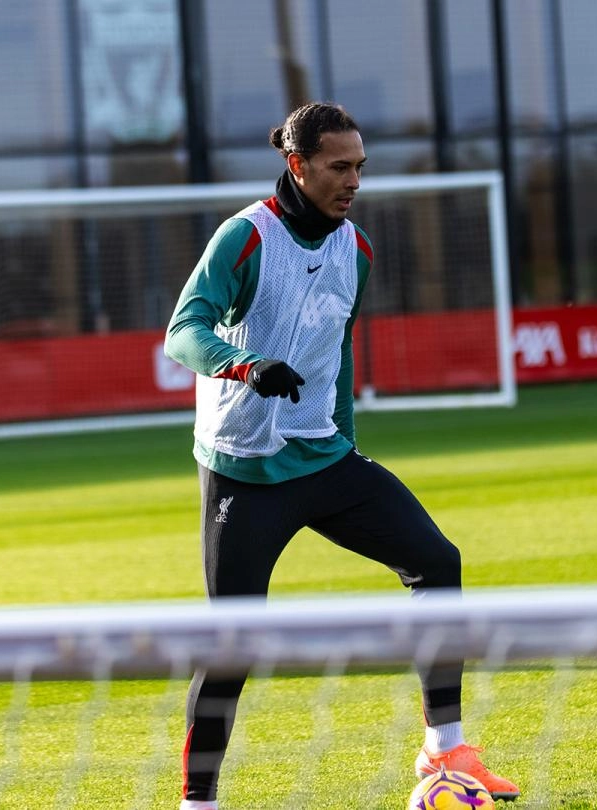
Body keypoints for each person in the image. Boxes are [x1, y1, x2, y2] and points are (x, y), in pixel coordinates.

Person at [165, 102, 518, 810]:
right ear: (297, 165)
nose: (354, 180)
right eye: (339, 167)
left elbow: (336, 352)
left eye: (360, 167)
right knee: (233, 642)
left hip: (326, 460)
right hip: (244, 471)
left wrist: (347, 442)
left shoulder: (356, 248)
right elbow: (183, 330)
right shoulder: (245, 237)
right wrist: (247, 366)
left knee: (437, 562)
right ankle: (198, 801)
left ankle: (445, 750)